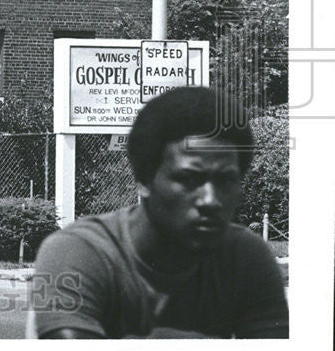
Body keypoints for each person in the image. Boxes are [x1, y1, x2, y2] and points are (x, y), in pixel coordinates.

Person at [31, 86, 288, 338]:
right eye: (188, 179)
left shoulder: (246, 258)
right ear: (144, 180)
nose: (211, 200)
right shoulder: (79, 252)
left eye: (226, 180)